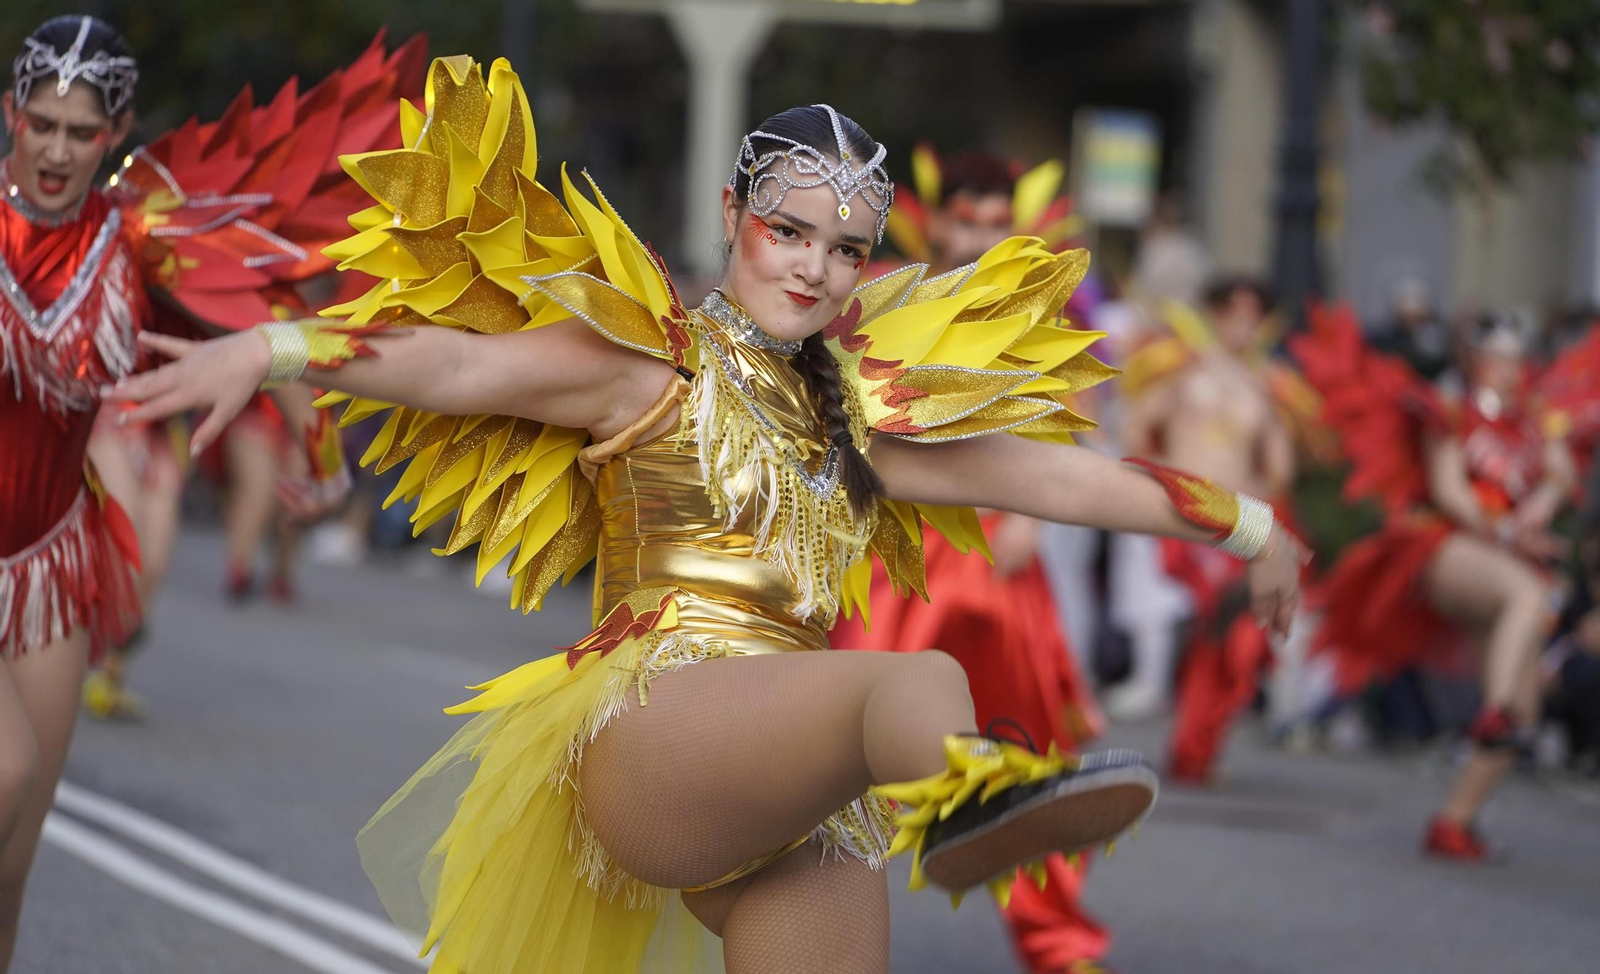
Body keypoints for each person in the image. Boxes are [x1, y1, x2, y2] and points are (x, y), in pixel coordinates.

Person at [106, 58, 1304, 973]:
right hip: (655, 724)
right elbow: (453, 368)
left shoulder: (859, 420)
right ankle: (972, 792)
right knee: (912, 673)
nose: (815, 268)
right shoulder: (649, 364)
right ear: (732, 211)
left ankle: (965, 794)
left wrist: (1251, 526)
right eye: (788, 230)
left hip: (790, 783)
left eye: (847, 248)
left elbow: (1057, 479)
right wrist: (271, 346)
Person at [1292, 305, 1590, 861]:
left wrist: (1546, 501)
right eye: (1498, 357)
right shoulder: (1448, 407)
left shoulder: (1535, 416)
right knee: (1530, 597)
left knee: (1523, 714)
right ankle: (1493, 707)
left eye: (1516, 358)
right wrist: (1508, 531)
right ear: (1473, 358)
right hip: (1449, 547)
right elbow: (1450, 490)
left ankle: (1456, 821)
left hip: (1505, 562)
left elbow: (1561, 471)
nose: (1509, 368)